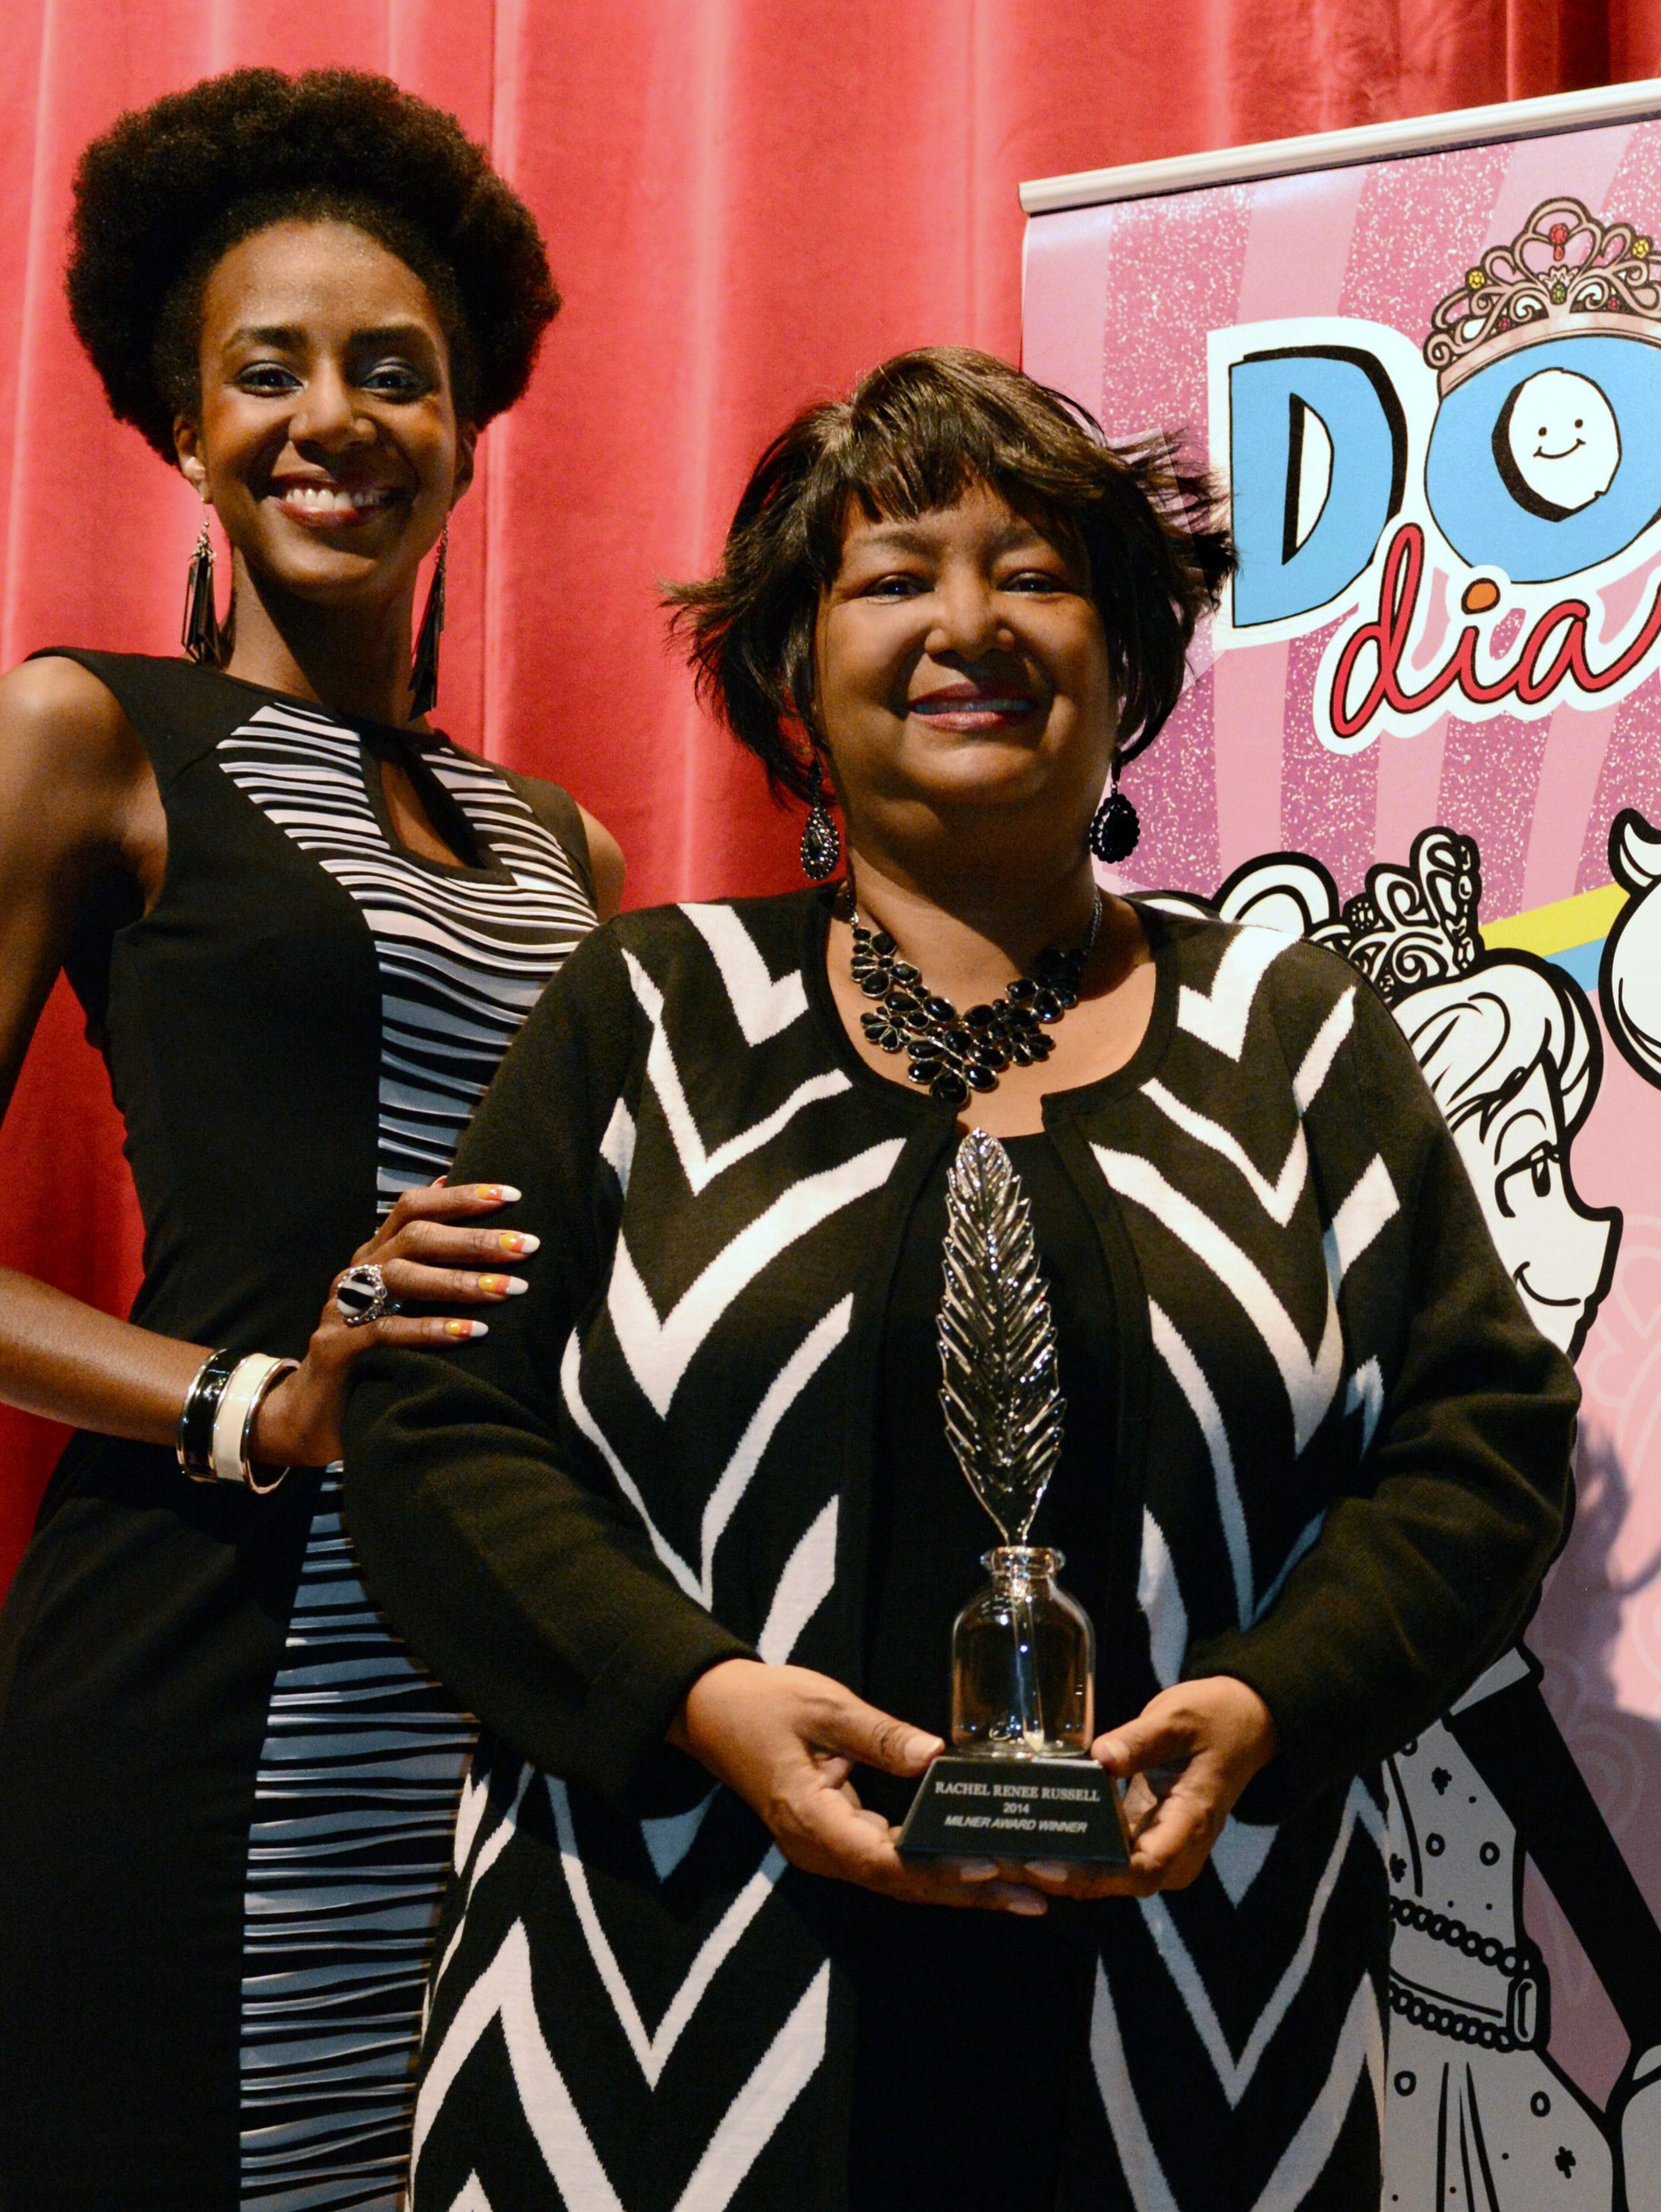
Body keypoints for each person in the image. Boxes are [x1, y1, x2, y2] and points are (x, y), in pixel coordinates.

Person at [343, 348, 1577, 2212]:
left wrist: (1267, 1704)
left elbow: (1484, 1441)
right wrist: (697, 1694)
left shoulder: (1295, 1030)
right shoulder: (649, 1012)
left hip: (1194, 2030)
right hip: (661, 2005)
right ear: (793, 671)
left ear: (1130, 653)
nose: (970, 624)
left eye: (1037, 573)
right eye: (896, 575)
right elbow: (438, 1433)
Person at [0, 68, 622, 2212]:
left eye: (394, 373)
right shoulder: (84, 733)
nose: (329, 418)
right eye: (265, 374)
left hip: (490, 1682)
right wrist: (264, 1406)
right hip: (198, 1668)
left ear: (467, 433)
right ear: (183, 427)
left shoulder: (567, 844)